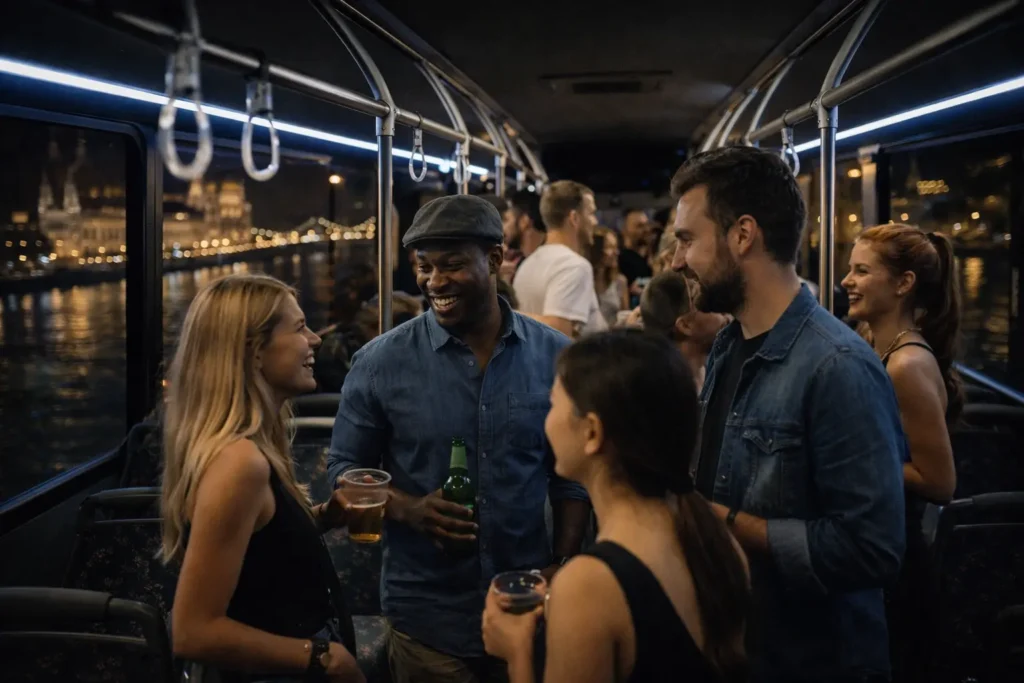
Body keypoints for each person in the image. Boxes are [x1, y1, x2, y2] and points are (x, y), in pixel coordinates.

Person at [327, 195, 592, 683]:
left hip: (528, 606)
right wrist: (409, 508)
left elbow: (571, 476)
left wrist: (565, 562)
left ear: (493, 260)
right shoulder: (379, 364)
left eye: (451, 265)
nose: (434, 282)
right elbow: (342, 471)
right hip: (428, 619)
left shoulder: (558, 358)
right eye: (424, 267)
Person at [670, 146, 906, 683]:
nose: (677, 260)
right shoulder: (731, 343)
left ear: (742, 234)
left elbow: (872, 551)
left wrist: (721, 520)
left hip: (811, 658)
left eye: (687, 239)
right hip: (744, 642)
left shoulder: (838, 367)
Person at [481, 330, 751, 683]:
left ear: (592, 433)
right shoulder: (718, 543)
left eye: (553, 403)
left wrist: (515, 650)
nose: (546, 419)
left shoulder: (589, 585)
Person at [161, 273, 365, 683]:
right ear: (254, 352)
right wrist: (324, 658)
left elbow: (260, 555)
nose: (316, 339)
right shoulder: (239, 464)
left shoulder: (252, 447)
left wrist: (323, 516)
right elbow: (193, 631)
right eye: (300, 328)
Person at [841, 223, 962, 683]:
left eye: (861, 271)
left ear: (903, 283)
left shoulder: (906, 366)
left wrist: (853, 456)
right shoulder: (873, 343)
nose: (846, 281)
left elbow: (940, 481)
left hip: (902, 560)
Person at [513, 180, 607, 338]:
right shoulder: (574, 266)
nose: (595, 221)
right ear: (574, 218)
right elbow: (559, 332)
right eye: (591, 213)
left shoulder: (528, 264)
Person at [639, 271, 729, 392]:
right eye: (703, 300)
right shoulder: (666, 396)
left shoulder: (715, 369)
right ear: (685, 325)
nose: (721, 308)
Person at [500, 189, 546, 283]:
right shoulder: (521, 262)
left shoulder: (544, 266)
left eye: (506, 220)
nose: (501, 228)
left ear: (524, 221)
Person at [588, 226, 629, 326]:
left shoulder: (620, 281)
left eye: (616, 247)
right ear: (596, 250)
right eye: (610, 247)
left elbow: (626, 317)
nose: (616, 252)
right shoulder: (583, 280)